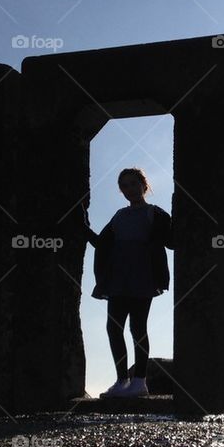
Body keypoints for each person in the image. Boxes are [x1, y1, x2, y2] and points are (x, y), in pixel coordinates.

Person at [83, 168, 173, 398]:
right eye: (124, 186)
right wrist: (81, 226)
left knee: (137, 327)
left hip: (143, 276)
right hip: (118, 277)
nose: (129, 190)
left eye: (133, 184)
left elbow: (171, 241)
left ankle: (140, 381)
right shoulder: (119, 216)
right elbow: (101, 244)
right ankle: (122, 380)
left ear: (144, 184)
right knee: (113, 327)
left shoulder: (155, 213)